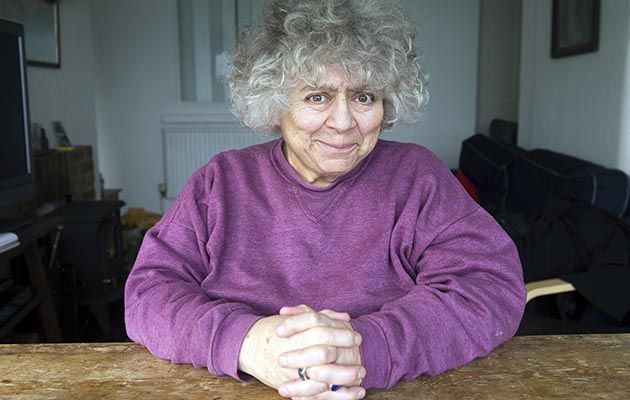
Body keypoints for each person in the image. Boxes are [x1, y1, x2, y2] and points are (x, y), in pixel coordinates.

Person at [124, 1, 526, 399]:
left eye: (364, 97)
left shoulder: (416, 176)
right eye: (318, 97)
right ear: (276, 103)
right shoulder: (221, 182)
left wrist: (363, 349)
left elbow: (489, 287)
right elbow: (147, 294)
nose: (344, 122)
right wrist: (247, 343)